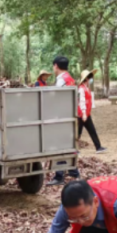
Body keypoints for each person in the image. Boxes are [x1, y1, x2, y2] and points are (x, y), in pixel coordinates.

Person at [48, 56, 81, 186]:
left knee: (59, 146)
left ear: (56, 65)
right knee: (68, 144)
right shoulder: (70, 79)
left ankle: (59, 175)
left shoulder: (61, 80)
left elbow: (57, 98)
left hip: (60, 117)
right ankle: (73, 172)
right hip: (70, 116)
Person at [77, 69, 107, 153]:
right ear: (86, 79)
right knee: (77, 133)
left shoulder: (86, 88)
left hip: (86, 113)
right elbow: (81, 101)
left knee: (92, 130)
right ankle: (73, 149)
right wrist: (83, 113)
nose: (91, 79)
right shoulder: (81, 89)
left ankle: (98, 147)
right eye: (89, 77)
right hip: (82, 114)